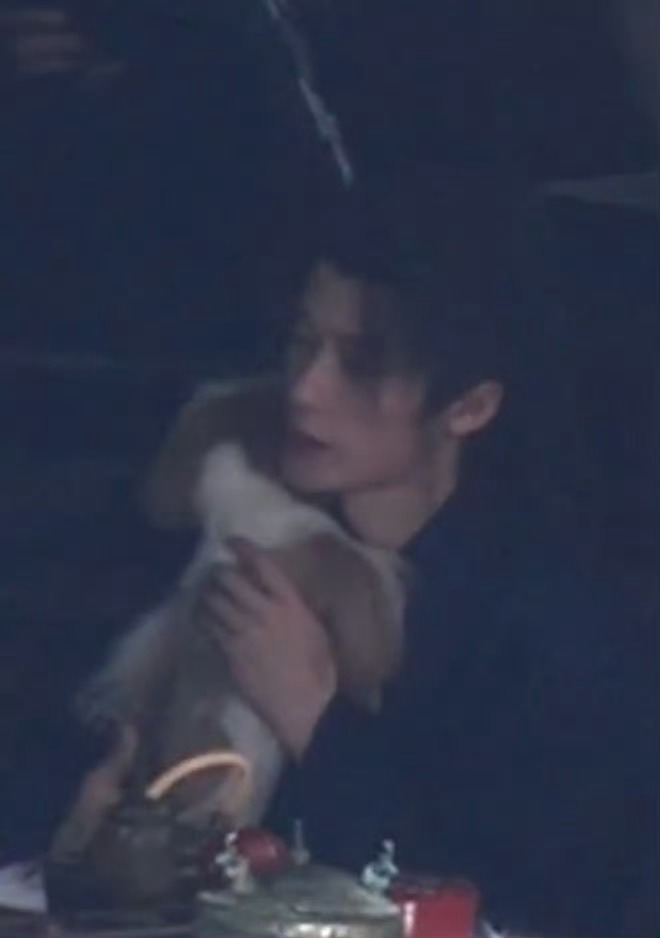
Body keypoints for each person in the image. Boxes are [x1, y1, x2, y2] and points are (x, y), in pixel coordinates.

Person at [196, 173, 655, 937]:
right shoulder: (265, 549)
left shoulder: (558, 634)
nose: (306, 388)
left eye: (362, 362)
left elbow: (526, 905)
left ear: (470, 406)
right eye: (304, 342)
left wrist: (314, 718)